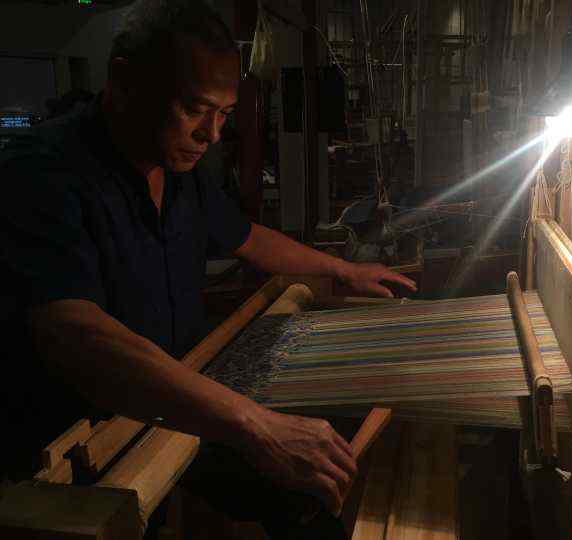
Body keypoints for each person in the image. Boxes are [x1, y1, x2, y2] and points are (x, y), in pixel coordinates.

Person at [0, 1, 416, 538]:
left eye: (224, 114)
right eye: (196, 109)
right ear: (124, 81)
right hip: (78, 451)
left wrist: (342, 271)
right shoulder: (40, 171)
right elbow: (76, 332)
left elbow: (249, 238)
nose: (212, 134)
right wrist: (254, 422)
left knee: (312, 490)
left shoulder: (180, 169)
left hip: (180, 401)